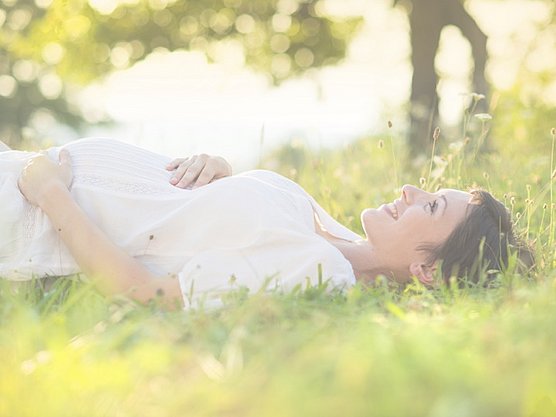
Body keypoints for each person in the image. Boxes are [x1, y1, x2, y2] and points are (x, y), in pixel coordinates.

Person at [4, 138, 530, 309]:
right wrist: (225, 176)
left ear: (427, 271)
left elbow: (147, 291)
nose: (410, 191)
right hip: (30, 169)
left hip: (24, 208)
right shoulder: (341, 242)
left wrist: (49, 192)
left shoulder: (316, 271)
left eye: (431, 206)